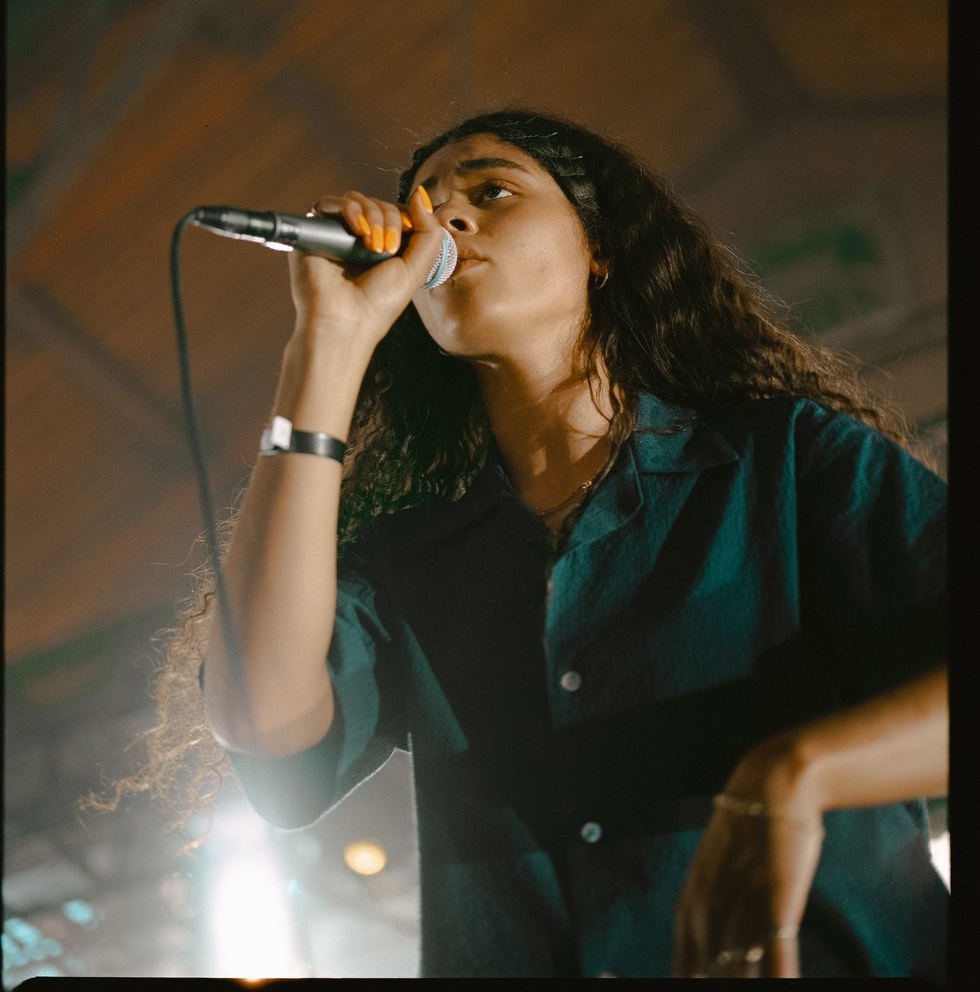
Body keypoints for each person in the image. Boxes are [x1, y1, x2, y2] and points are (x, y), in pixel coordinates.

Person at [107, 109, 948, 978]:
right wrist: (327, 343)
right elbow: (263, 721)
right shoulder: (409, 560)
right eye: (425, 204)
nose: (443, 218)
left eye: (491, 191)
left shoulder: (785, 460)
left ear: (600, 247)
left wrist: (798, 774)